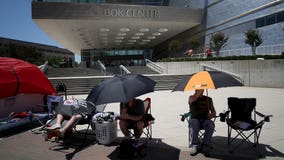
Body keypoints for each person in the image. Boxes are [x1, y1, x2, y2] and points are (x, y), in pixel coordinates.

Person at [188, 89, 216, 157]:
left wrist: (211, 115)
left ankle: (205, 145)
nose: (199, 90)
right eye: (197, 89)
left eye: (200, 89)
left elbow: (214, 111)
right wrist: (198, 93)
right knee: (195, 123)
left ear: (203, 90)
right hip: (194, 119)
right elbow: (192, 99)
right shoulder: (191, 97)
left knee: (211, 124)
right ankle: (195, 145)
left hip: (205, 120)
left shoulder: (208, 99)